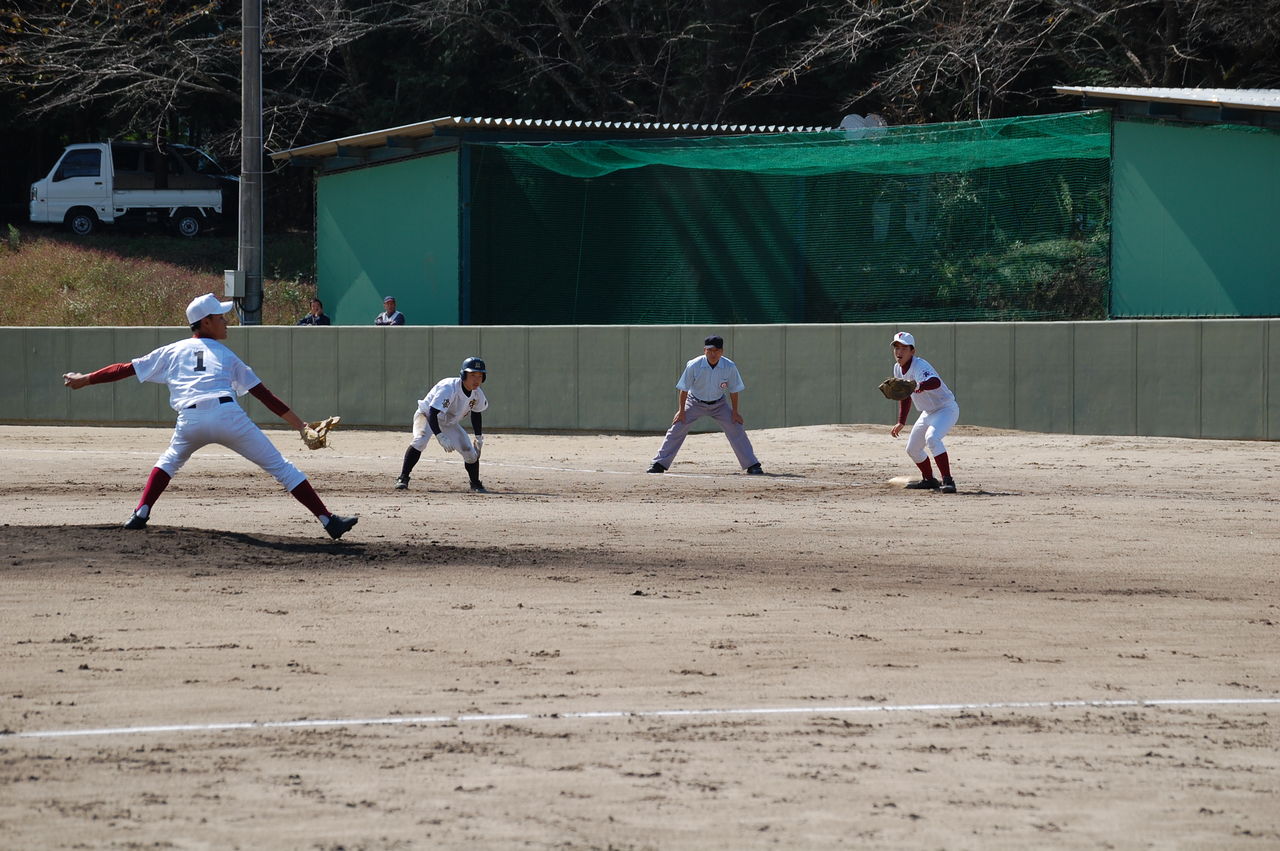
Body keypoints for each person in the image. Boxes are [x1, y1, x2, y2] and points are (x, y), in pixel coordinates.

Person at [62, 293, 359, 539]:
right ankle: (328, 521)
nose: (225, 320)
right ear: (205, 322)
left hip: (189, 420)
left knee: (168, 462)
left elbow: (125, 368)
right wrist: (301, 427)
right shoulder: (227, 356)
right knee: (281, 468)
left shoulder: (173, 350)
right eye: (220, 317)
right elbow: (264, 396)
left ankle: (141, 512)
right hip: (227, 415)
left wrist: (85, 378)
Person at [647, 335, 763, 475]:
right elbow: (684, 389)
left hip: (719, 403)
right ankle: (659, 463)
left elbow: (734, 390)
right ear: (704, 351)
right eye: (710, 350)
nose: (713, 353)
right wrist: (681, 411)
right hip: (694, 401)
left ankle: (752, 464)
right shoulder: (694, 365)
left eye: (716, 350)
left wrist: (735, 412)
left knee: (736, 427)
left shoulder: (729, 366)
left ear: (722, 351)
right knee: (677, 427)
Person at [395, 357, 489, 493]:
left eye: (480, 376)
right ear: (463, 375)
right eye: (472, 375)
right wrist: (440, 436)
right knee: (420, 440)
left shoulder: (477, 394)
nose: (476, 379)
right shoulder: (449, 387)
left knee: (470, 452)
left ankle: (475, 483)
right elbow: (433, 413)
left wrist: (479, 437)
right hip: (427, 415)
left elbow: (476, 413)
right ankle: (403, 478)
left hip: (448, 422)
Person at [888, 331, 959, 493]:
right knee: (912, 449)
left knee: (932, 438)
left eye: (904, 348)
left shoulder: (920, 366)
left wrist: (919, 385)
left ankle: (948, 481)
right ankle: (929, 480)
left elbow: (934, 382)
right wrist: (901, 421)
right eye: (896, 348)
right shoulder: (897, 369)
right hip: (928, 413)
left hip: (946, 409)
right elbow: (905, 396)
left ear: (912, 351)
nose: (899, 352)